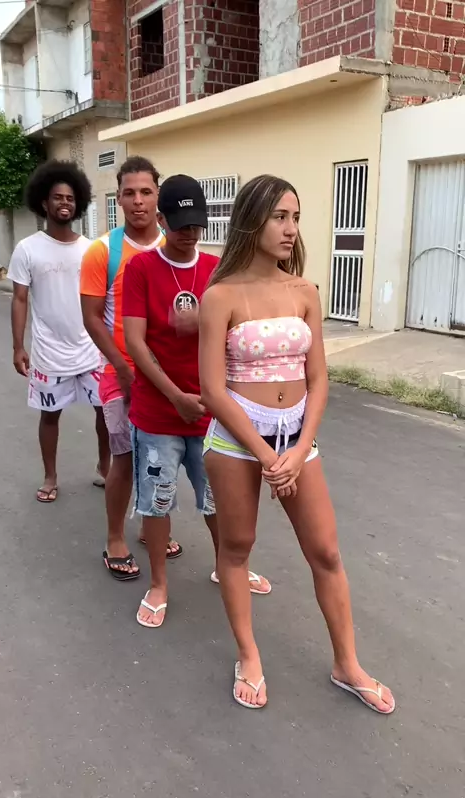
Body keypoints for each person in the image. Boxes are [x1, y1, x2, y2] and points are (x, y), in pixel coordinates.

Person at [199, 174, 396, 714]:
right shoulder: (221, 295)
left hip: (296, 440)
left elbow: (318, 378)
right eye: (280, 217)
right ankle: (249, 656)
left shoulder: (304, 291)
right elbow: (212, 389)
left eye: (296, 218)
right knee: (236, 548)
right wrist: (267, 457)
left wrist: (301, 446)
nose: (291, 229)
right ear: (252, 220)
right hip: (239, 441)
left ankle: (347, 664)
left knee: (326, 552)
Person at [122, 174, 271, 627]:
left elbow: (239, 327)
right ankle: (158, 584)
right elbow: (135, 342)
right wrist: (176, 397)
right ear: (162, 220)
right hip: (158, 414)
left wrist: (202, 321)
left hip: (213, 413)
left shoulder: (217, 270)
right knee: (157, 502)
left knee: (220, 501)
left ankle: (230, 567)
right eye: (180, 223)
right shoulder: (141, 269)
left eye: (196, 224)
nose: (189, 232)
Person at [80, 156, 182, 581]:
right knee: (123, 457)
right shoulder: (103, 251)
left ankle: (149, 529)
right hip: (118, 375)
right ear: (118, 199)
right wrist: (122, 368)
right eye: (129, 193)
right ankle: (115, 538)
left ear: (158, 196)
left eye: (146, 192)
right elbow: (91, 318)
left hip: (166, 377)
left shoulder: (176, 246)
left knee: (160, 459)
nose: (138, 200)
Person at [10, 159, 110, 503]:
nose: (64, 203)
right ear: (44, 202)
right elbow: (20, 299)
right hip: (49, 353)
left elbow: (103, 300)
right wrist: (18, 346)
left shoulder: (91, 250)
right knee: (49, 415)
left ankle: (105, 468)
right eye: (57, 197)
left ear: (77, 203)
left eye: (70, 198)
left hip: (91, 350)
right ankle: (50, 476)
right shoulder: (27, 249)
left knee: (106, 412)